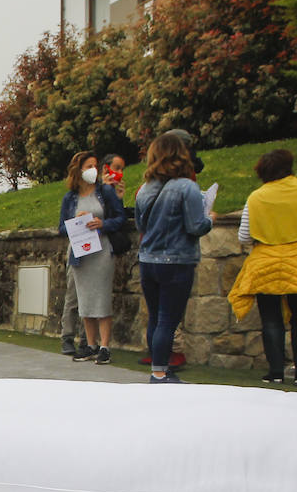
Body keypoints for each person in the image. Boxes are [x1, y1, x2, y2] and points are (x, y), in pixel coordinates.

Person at [228, 150, 297, 387]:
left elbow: (244, 235)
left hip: (266, 260)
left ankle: (275, 372)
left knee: (271, 318)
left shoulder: (257, 197)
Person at [134, 133, 214, 383]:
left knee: (156, 318)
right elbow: (195, 226)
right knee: (169, 319)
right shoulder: (187, 187)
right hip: (177, 261)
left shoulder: (144, 189)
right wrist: (211, 218)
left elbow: (140, 224)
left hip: (148, 260)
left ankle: (157, 369)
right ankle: (160, 373)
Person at [58, 151, 126, 365]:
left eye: (95, 166)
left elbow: (120, 217)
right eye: (88, 166)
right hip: (80, 253)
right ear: (78, 170)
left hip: (102, 250)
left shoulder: (104, 191)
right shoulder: (70, 197)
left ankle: (105, 345)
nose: (93, 170)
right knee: (85, 299)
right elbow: (61, 228)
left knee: (102, 297)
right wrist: (74, 222)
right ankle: (90, 344)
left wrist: (102, 223)